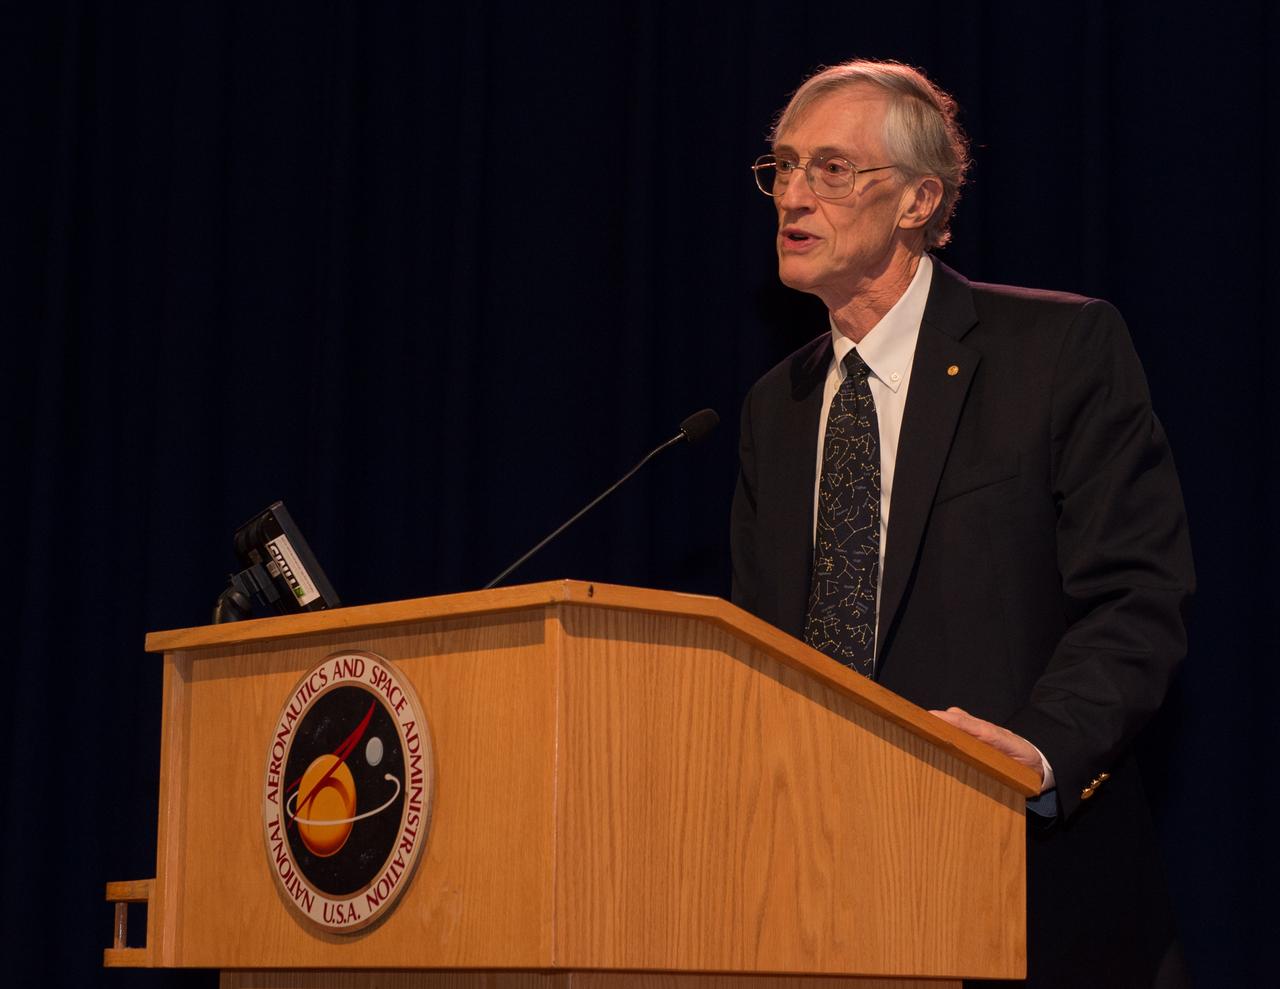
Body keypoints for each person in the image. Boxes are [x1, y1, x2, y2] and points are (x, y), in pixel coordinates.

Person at [730, 59, 1194, 988]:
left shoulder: (1057, 351)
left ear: (917, 200)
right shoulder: (773, 409)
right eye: (782, 167)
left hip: (1025, 881)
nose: (793, 195)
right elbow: (760, 654)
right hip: (819, 894)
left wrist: (1034, 750)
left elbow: (1137, 598)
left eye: (830, 168)